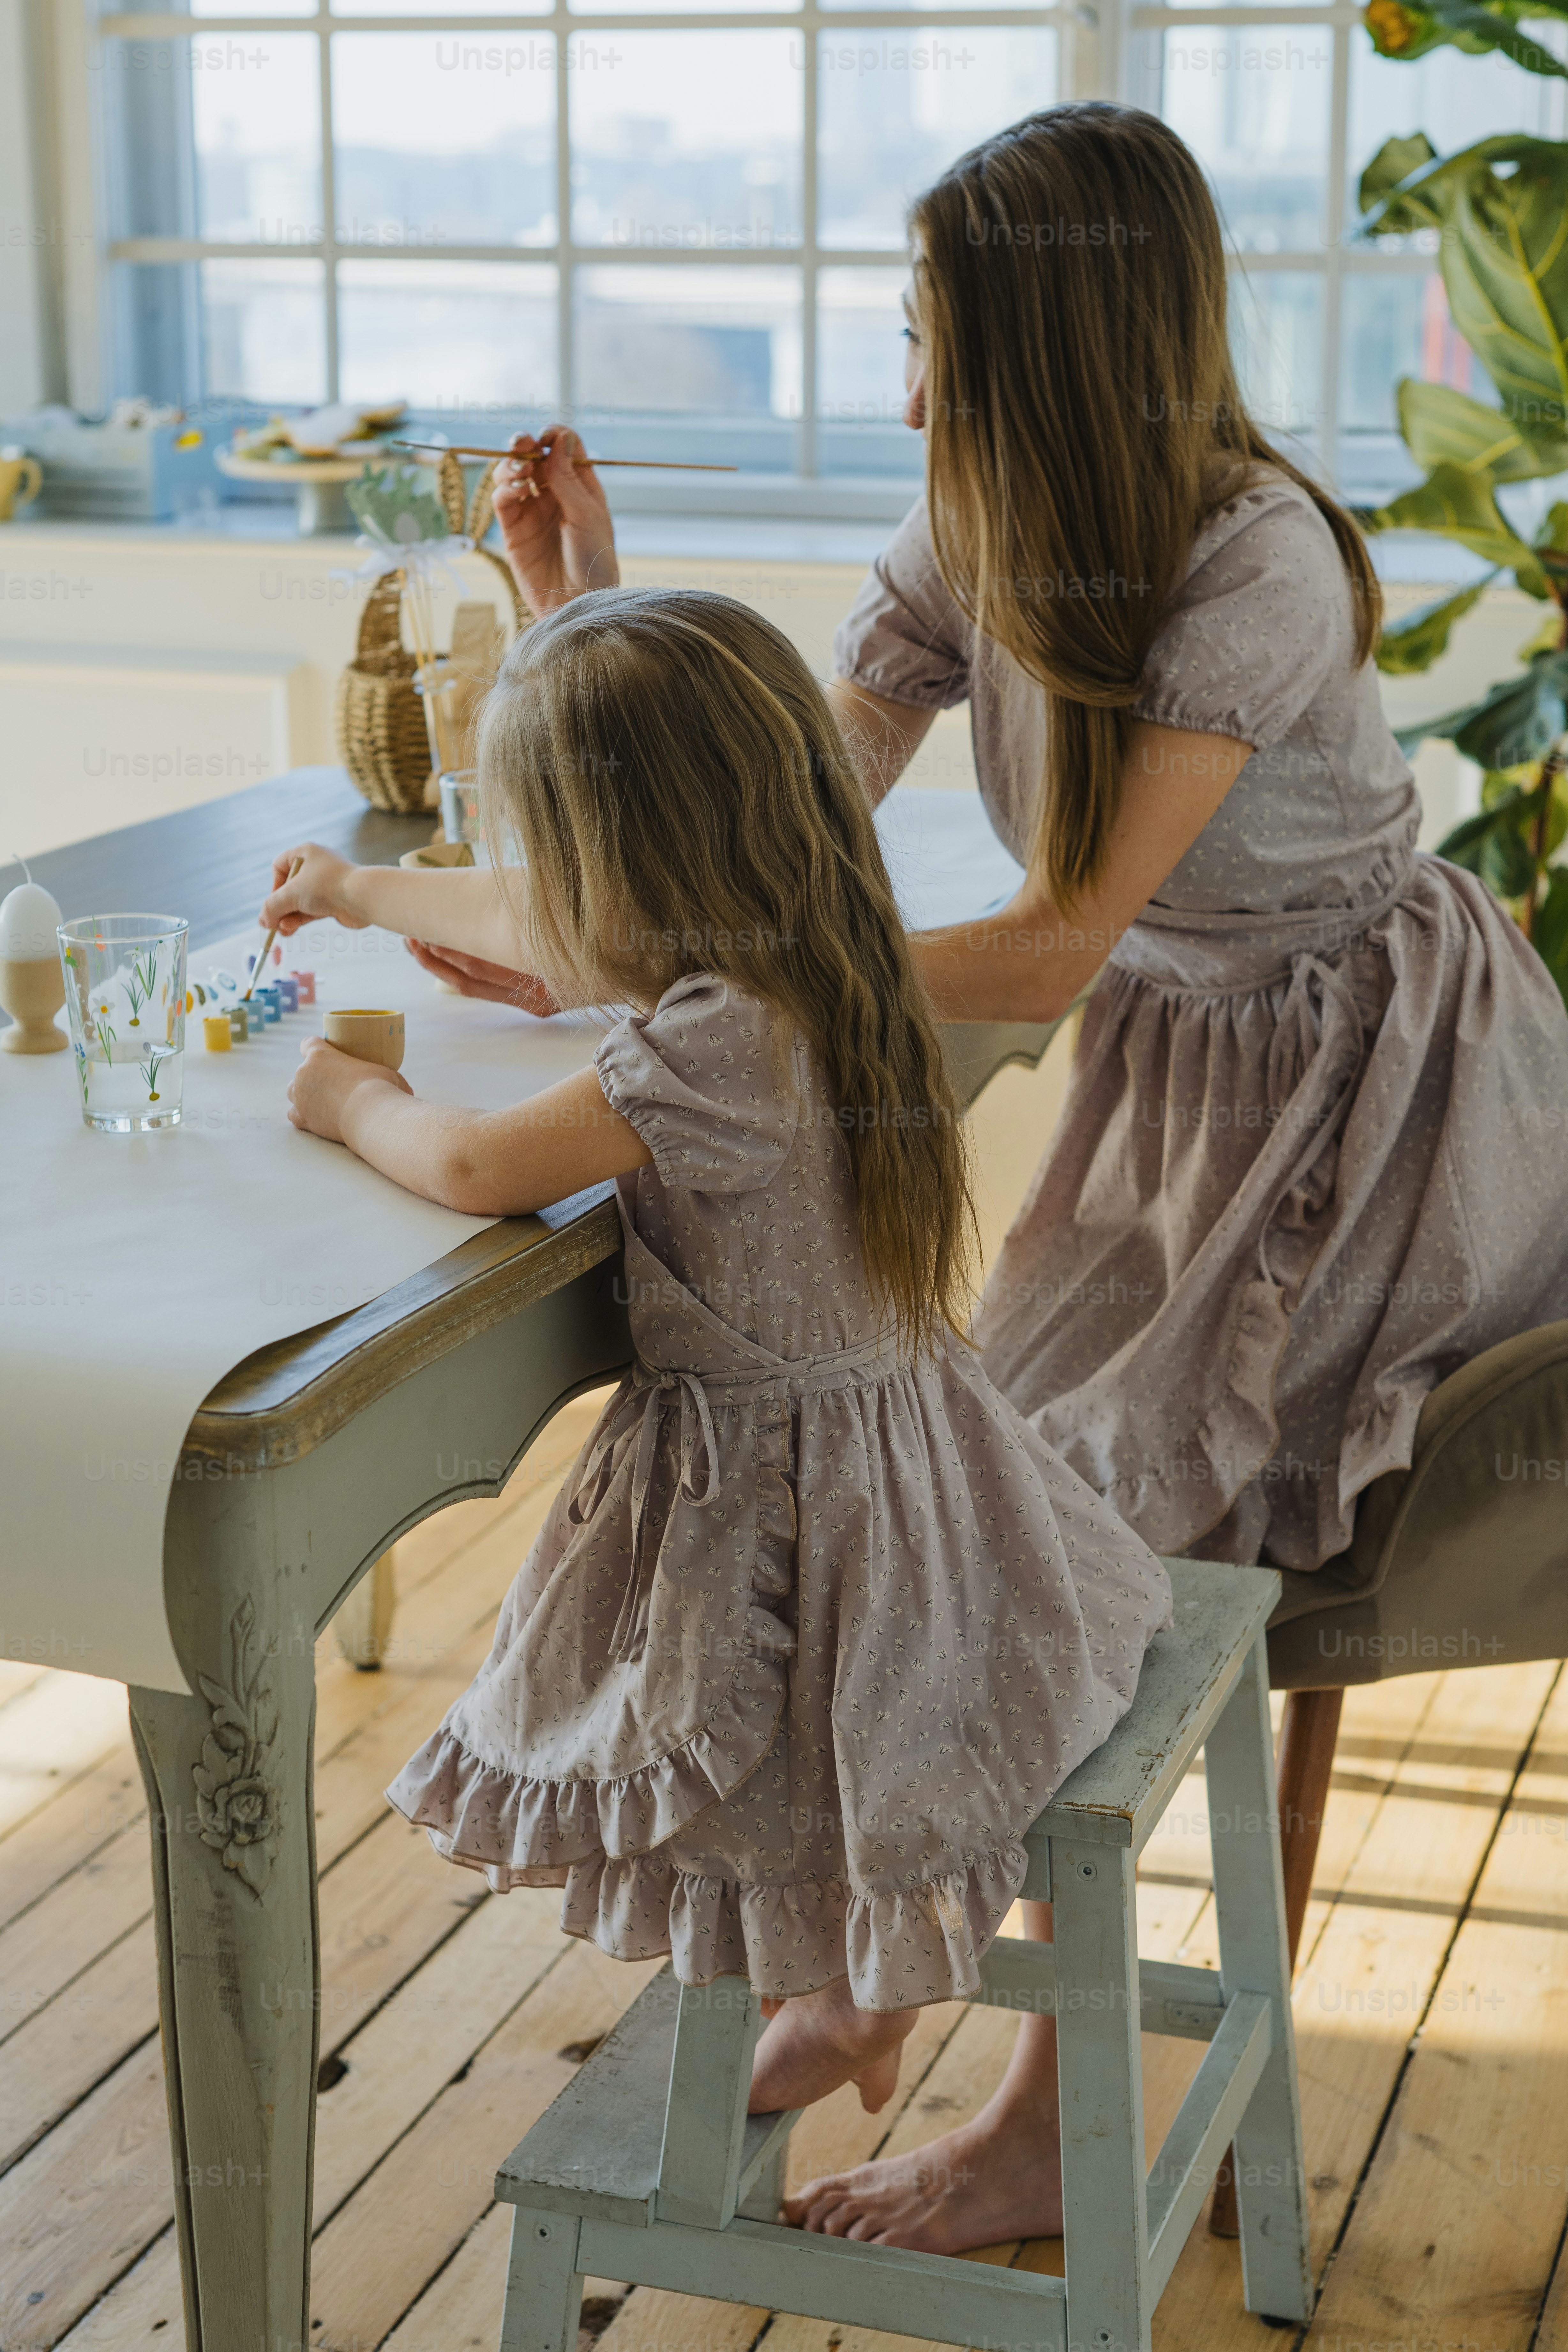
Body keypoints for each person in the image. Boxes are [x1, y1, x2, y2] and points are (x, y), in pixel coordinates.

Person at [418, 99, 1568, 2254]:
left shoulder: (1253, 562)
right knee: (1003, 1472)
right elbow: (789, 815)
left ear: (1056, 340)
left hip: (1357, 1075)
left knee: (1215, 1522)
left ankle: (1048, 2107)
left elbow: (1039, 939)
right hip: (1174, 1078)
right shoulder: (975, 527)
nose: (907, 378)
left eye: (935, 329)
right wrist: (579, 620)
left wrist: (723, 973)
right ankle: (886, 1979)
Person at [259, 586, 1173, 2119]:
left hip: (797, 1509)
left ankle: (852, 1990)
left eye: (551, 848)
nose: (535, 890)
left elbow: (481, 1165)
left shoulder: (712, 1038)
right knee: (836, 1733)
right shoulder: (818, 952)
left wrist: (351, 1105)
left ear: (634, 862)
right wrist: (359, 892)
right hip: (906, 1460)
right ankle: (851, 1988)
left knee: (795, 1741)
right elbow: (518, 918)